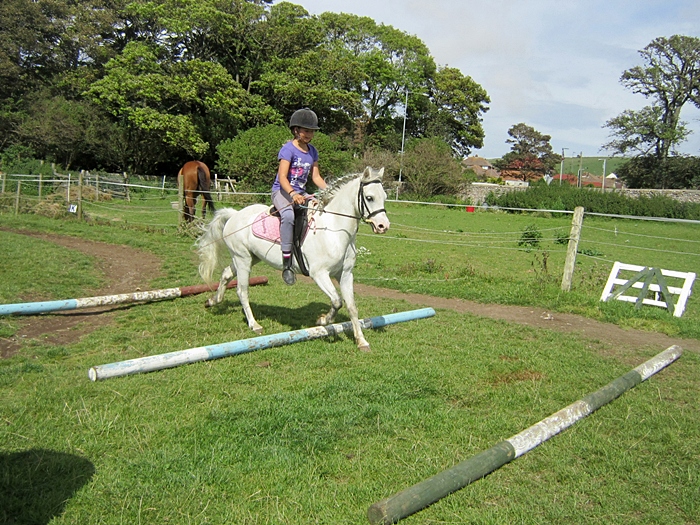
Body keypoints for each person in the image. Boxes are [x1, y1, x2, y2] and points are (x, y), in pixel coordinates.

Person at [271, 108, 327, 285]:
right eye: (306, 130)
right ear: (296, 130)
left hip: (301, 194)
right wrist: (293, 193)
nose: (309, 134)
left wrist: (331, 190)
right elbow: (282, 177)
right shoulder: (288, 150)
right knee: (288, 216)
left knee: (319, 210)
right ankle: (287, 264)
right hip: (282, 191)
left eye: (312, 131)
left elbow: (316, 177)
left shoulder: (313, 151)